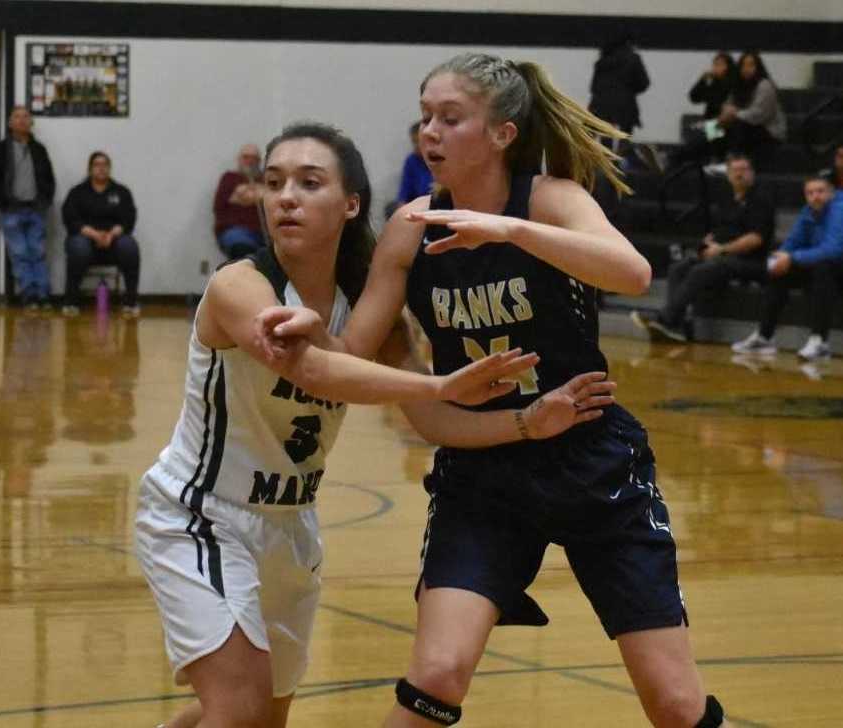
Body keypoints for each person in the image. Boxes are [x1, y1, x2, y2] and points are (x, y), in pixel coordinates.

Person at [261, 54, 731, 728]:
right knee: (438, 672)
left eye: (450, 118)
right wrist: (312, 327)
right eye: (425, 117)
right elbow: (351, 357)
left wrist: (507, 229)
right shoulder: (410, 228)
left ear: (503, 134)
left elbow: (631, 272)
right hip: (483, 472)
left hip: (594, 462)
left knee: (676, 704)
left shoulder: (549, 200)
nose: (430, 132)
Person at [138, 121, 614, 728]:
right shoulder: (241, 287)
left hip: (290, 528)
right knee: (236, 709)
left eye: (310, 183)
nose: (286, 196)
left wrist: (525, 423)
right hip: (200, 515)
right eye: (275, 182)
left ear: (352, 203)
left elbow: (430, 419)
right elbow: (319, 372)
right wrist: (440, 382)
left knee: (256, 716)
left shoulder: (365, 308)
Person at [631, 154, 775, 342]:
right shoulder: (728, 200)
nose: (739, 174)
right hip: (724, 256)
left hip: (752, 261)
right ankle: (677, 326)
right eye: (735, 170)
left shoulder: (761, 199)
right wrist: (709, 242)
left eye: (744, 170)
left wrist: (721, 249)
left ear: (752, 173)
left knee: (703, 269)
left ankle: (666, 318)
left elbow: (755, 239)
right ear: (728, 174)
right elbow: (720, 230)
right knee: (678, 267)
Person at [732, 174, 843, 360]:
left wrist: (791, 258)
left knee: (823, 267)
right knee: (779, 270)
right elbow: (791, 243)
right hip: (823, 267)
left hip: (835, 266)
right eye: (810, 193)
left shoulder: (839, 209)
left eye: (820, 191)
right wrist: (778, 259)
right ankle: (764, 336)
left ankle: (820, 342)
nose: (815, 196)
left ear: (831, 193)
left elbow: (833, 250)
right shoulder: (808, 211)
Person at [0, 105, 55, 309]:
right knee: (20, 254)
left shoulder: (39, 150)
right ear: (10, 123)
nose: (22, 120)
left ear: (31, 123)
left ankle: (43, 294)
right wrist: (2, 201)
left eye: (26, 117)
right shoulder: (1, 149)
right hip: (12, 211)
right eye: (17, 117)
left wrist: (45, 199)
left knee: (37, 252)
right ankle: (29, 295)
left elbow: (49, 178)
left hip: (35, 209)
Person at [60, 151, 140, 317]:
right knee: (78, 247)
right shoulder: (77, 192)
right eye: (97, 165)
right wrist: (94, 234)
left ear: (109, 168)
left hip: (113, 241)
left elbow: (128, 219)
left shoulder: (121, 192)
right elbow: (70, 219)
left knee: (130, 246)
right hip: (85, 239)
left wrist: (111, 235)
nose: (101, 168)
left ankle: (131, 302)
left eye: (105, 165)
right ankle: (71, 302)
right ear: (90, 169)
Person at [717, 51, 786, 171]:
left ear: (758, 67)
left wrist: (734, 113)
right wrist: (723, 117)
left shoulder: (764, 85)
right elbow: (727, 105)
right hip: (746, 128)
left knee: (738, 124)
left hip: (768, 132)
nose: (746, 69)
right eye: (743, 65)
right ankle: (706, 158)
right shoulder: (738, 85)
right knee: (712, 127)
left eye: (751, 65)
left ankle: (731, 163)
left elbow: (758, 115)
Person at [213, 143, 267, 260]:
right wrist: (257, 194)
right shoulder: (229, 178)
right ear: (239, 159)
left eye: (254, 158)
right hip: (237, 232)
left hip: (264, 234)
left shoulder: (266, 179)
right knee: (242, 250)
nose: (250, 161)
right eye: (246, 157)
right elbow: (218, 206)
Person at [688, 53, 737, 121]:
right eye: (714, 64)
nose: (715, 67)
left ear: (728, 66)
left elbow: (717, 101)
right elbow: (694, 98)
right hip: (710, 121)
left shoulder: (734, 83)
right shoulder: (711, 81)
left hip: (727, 120)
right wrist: (702, 81)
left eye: (719, 65)